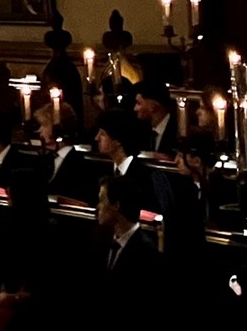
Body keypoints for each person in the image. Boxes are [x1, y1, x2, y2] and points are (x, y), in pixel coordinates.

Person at [90, 170, 163, 321]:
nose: (98, 207)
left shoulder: (146, 254)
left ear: (116, 205)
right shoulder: (101, 243)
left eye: (102, 201)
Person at [132, 79, 181, 156]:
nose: (135, 108)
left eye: (139, 103)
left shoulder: (178, 132)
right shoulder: (140, 129)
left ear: (152, 107)